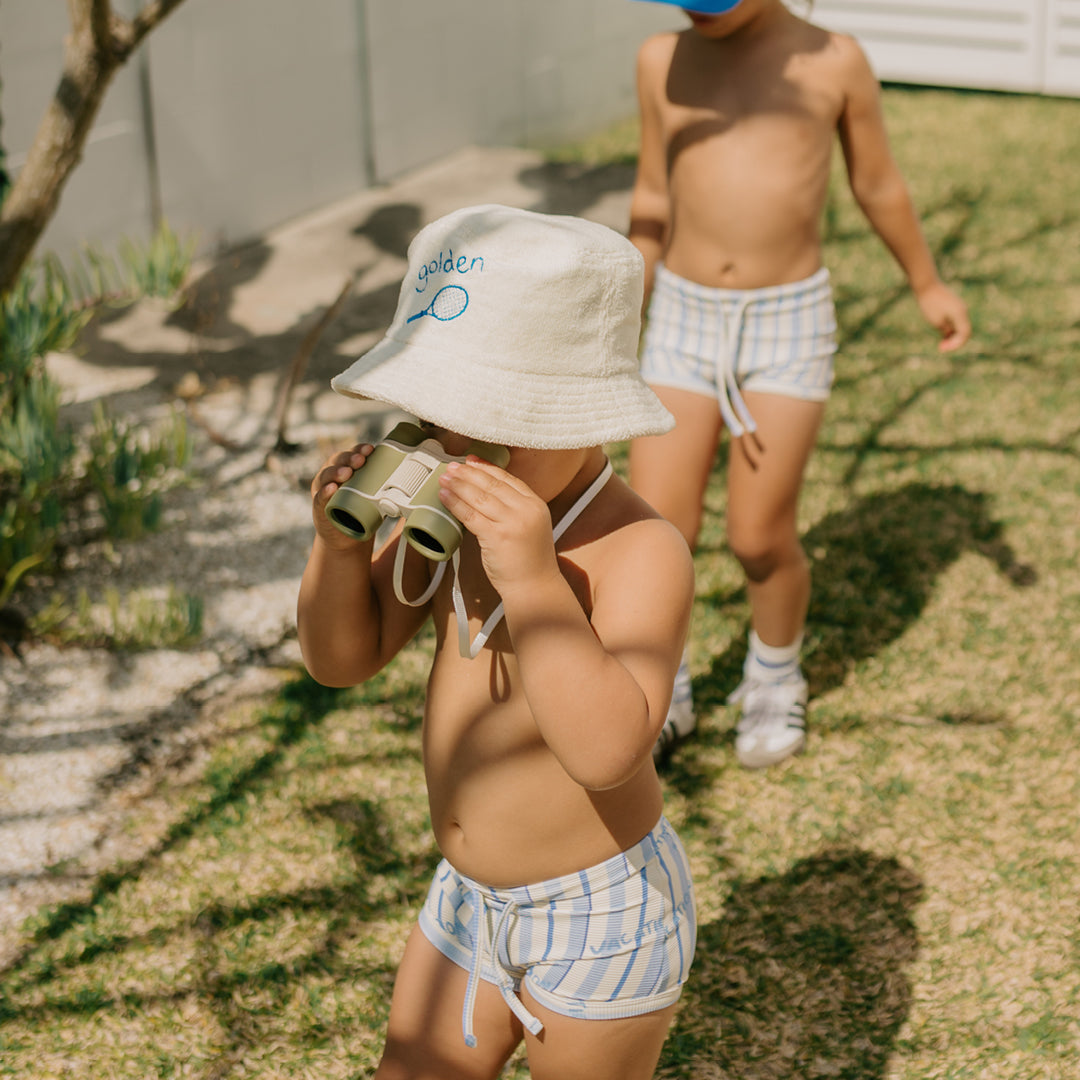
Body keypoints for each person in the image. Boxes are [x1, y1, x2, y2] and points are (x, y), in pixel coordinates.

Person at [297, 204, 697, 1080]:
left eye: (491, 423)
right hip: (468, 900)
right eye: (438, 416)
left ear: (582, 414)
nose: (457, 445)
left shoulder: (640, 551)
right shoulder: (447, 518)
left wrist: (532, 578)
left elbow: (607, 753)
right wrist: (337, 548)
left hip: (598, 917)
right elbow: (341, 661)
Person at [626, 0, 971, 767]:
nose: (696, 10)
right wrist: (619, 305)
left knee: (757, 536)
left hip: (786, 328)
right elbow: (652, 198)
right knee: (659, 531)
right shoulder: (660, 58)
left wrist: (927, 284)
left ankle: (775, 678)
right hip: (682, 319)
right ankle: (664, 688)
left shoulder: (834, 61)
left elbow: (876, 184)